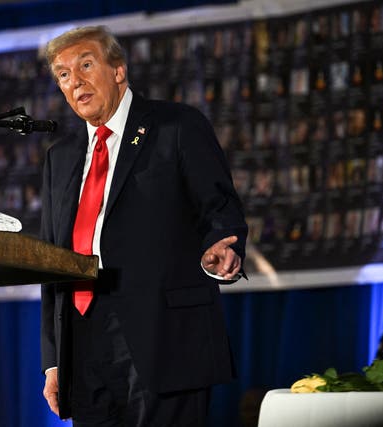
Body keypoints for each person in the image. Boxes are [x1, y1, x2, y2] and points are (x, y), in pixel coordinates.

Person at [39, 26, 248, 426]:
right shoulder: (60, 158)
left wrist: (221, 246)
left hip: (162, 337)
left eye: (85, 65)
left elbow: (219, 207)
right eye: (63, 75)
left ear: (118, 70)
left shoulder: (176, 126)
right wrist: (53, 362)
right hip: (83, 345)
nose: (75, 81)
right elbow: (52, 262)